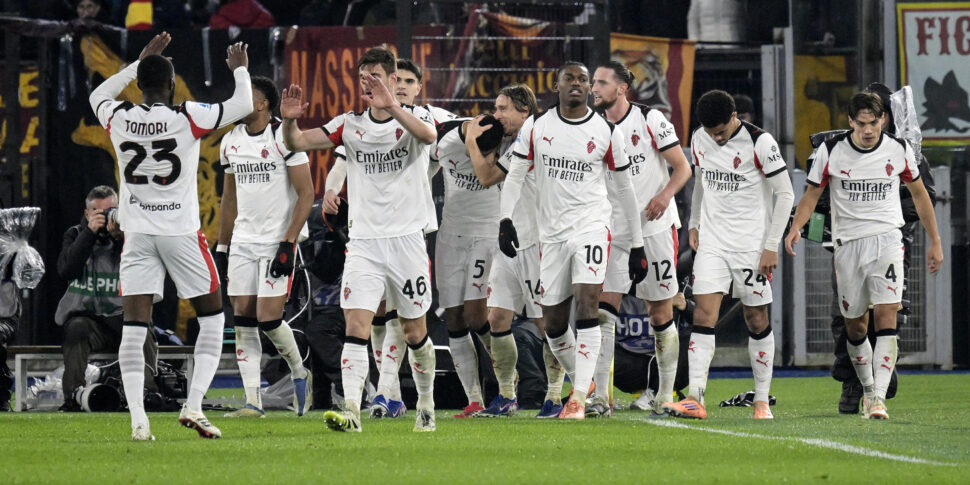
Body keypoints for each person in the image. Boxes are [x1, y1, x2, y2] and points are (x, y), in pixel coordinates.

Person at [89, 32, 253, 440]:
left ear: (139, 85)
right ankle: (194, 405)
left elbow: (98, 93)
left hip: (139, 234)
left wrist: (137, 62)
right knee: (213, 318)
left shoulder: (119, 116)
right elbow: (245, 105)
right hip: (180, 232)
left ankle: (138, 423)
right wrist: (240, 70)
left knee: (134, 326)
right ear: (173, 84)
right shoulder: (187, 116)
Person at [281, 46, 439, 433]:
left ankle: (427, 405)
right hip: (365, 244)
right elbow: (299, 143)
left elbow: (430, 136)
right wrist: (288, 123)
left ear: (390, 78)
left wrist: (392, 105)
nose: (368, 84)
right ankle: (352, 408)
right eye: (363, 77)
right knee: (357, 326)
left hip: (407, 241)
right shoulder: (348, 124)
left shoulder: (414, 117)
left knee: (415, 332)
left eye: (375, 77)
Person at [498, 62, 649, 420]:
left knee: (588, 303)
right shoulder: (537, 126)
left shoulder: (606, 131)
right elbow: (515, 175)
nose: (578, 84)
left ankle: (579, 397)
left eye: (583, 79)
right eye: (571, 78)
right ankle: (584, 381)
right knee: (552, 324)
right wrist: (505, 220)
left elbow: (625, 190)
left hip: (592, 227)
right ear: (557, 86)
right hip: (550, 236)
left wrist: (638, 243)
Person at [785, 91, 943, 420]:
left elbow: (920, 195)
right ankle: (866, 387)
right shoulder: (830, 151)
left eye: (874, 122)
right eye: (862, 123)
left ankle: (878, 399)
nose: (869, 129)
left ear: (883, 119)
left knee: (888, 315)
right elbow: (812, 196)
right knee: (855, 326)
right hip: (846, 245)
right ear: (850, 122)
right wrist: (796, 228)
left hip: (888, 239)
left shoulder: (899, 150)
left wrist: (936, 240)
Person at [322, 57, 455, 421]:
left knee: (408, 321)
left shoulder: (432, 117)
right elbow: (340, 160)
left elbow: (466, 133)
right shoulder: (360, 124)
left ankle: (411, 401)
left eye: (408, 82)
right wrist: (332, 191)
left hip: (412, 229)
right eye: (397, 82)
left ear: (416, 86)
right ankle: (383, 394)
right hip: (369, 233)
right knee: (372, 315)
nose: (400, 88)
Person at [663, 90, 794, 420]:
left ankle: (761, 401)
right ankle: (696, 398)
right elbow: (704, 181)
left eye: (720, 131)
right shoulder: (700, 137)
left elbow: (786, 194)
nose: (715, 138)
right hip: (713, 243)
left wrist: (770, 246)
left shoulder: (761, 143)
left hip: (751, 247)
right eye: (710, 132)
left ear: (735, 117)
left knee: (757, 319)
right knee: (703, 315)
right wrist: (694, 222)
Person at [590, 61, 692, 417]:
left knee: (660, 310)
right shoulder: (590, 126)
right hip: (613, 231)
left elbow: (683, 167)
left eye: (602, 82)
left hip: (654, 228)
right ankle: (601, 398)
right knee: (604, 311)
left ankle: (665, 394)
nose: (594, 88)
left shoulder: (650, 120)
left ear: (621, 88)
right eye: (593, 82)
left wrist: (664, 196)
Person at [215, 76, 314, 418]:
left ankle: (300, 373)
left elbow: (307, 194)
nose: (237, 101)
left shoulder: (282, 139)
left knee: (269, 318)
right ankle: (252, 401)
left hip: (276, 242)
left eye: (245, 96)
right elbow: (229, 198)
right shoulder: (229, 142)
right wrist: (223, 245)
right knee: (242, 317)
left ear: (261, 104)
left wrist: (289, 242)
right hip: (243, 242)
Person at [466, 84, 568, 418]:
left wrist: (471, 139)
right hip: (511, 242)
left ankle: (554, 396)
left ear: (524, 111)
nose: (496, 116)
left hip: (538, 242)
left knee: (545, 323)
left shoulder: (533, 136)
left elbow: (485, 176)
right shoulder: (512, 141)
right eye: (495, 108)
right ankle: (507, 397)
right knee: (496, 317)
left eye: (502, 108)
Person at [54, 185, 158, 412]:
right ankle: (74, 396)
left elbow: (148, 270)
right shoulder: (74, 234)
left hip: (123, 319)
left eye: (111, 210)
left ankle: (148, 393)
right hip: (91, 324)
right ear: (87, 214)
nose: (106, 216)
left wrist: (122, 239)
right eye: (98, 212)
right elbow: (66, 271)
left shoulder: (133, 236)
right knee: (76, 326)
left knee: (142, 323)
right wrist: (88, 234)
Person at [429, 114, 504, 416]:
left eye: (491, 154)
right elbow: (427, 163)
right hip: (451, 235)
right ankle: (474, 399)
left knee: (475, 315)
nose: (486, 159)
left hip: (487, 233)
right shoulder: (444, 140)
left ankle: (507, 383)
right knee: (454, 318)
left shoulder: (505, 141)